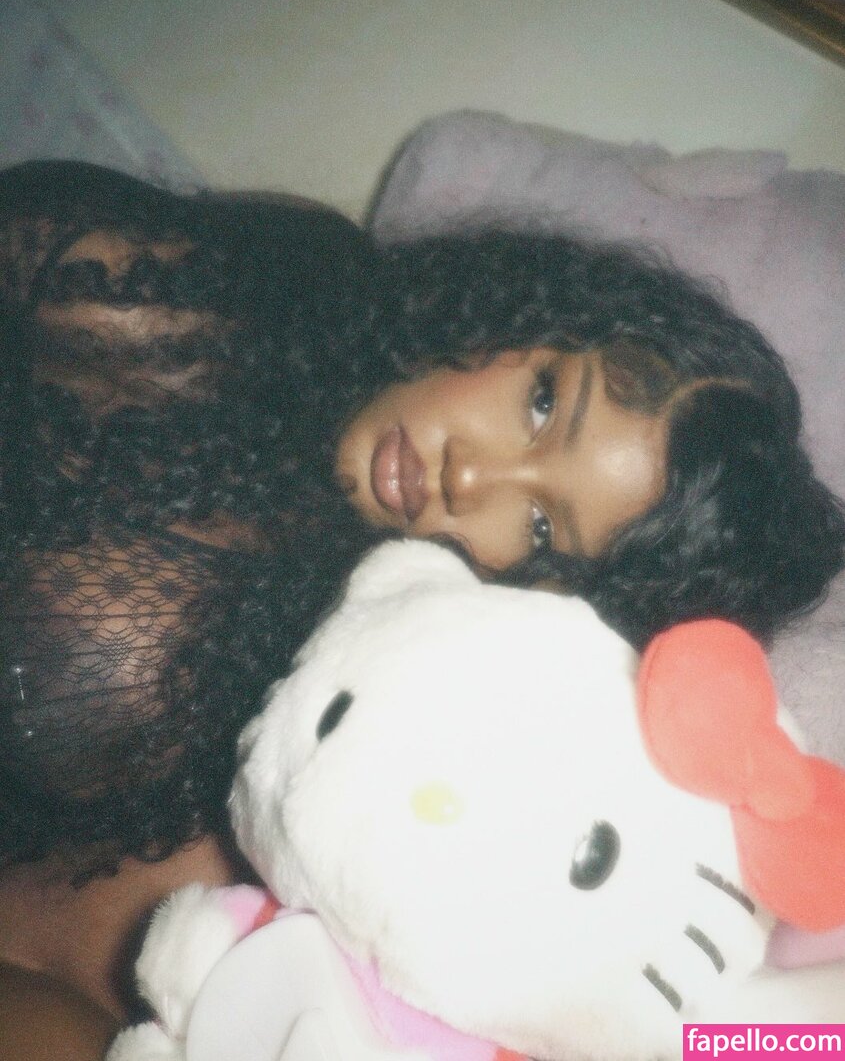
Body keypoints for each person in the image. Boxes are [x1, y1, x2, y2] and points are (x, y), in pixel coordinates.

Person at [0, 161, 842, 1059]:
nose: (469, 476)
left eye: (540, 528)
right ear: (519, 312)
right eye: (542, 402)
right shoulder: (239, 292)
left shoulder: (339, 723)